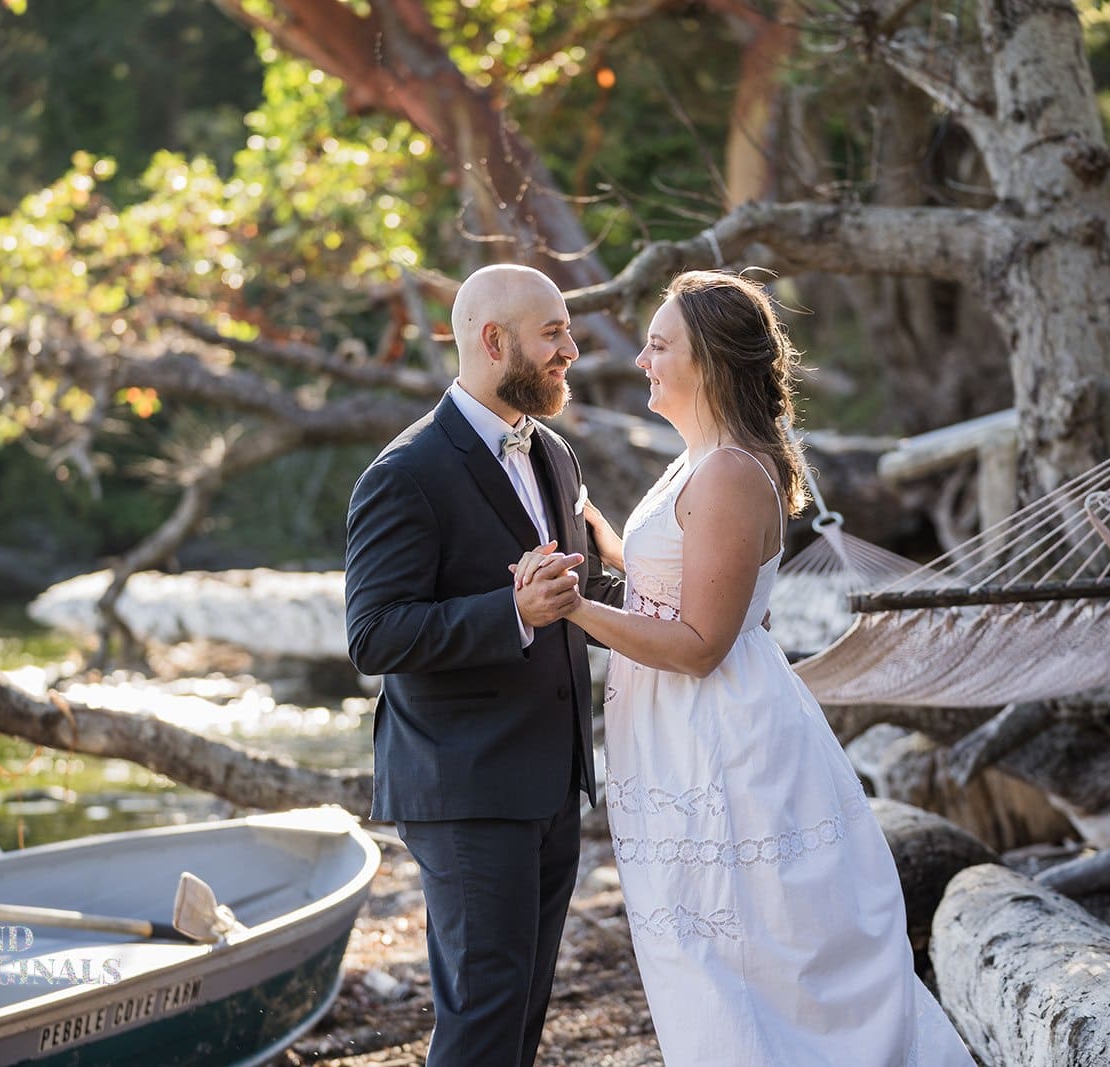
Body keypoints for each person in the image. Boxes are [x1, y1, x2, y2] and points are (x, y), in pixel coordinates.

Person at [515, 270, 974, 1064]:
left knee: (734, 949)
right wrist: (589, 525)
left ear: (710, 362)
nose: (642, 361)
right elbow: (671, 578)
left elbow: (699, 642)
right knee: (705, 948)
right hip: (677, 732)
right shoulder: (703, 458)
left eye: (659, 346)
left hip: (719, 737)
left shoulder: (728, 470)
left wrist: (573, 608)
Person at [343, 264, 624, 1067]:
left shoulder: (554, 453)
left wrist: (687, 612)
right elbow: (374, 635)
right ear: (494, 341)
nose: (572, 349)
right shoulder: (405, 474)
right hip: (465, 786)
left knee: (522, 1007)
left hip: (549, 777)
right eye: (555, 334)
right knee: (485, 1010)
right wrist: (510, 613)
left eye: (568, 330)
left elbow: (580, 588)